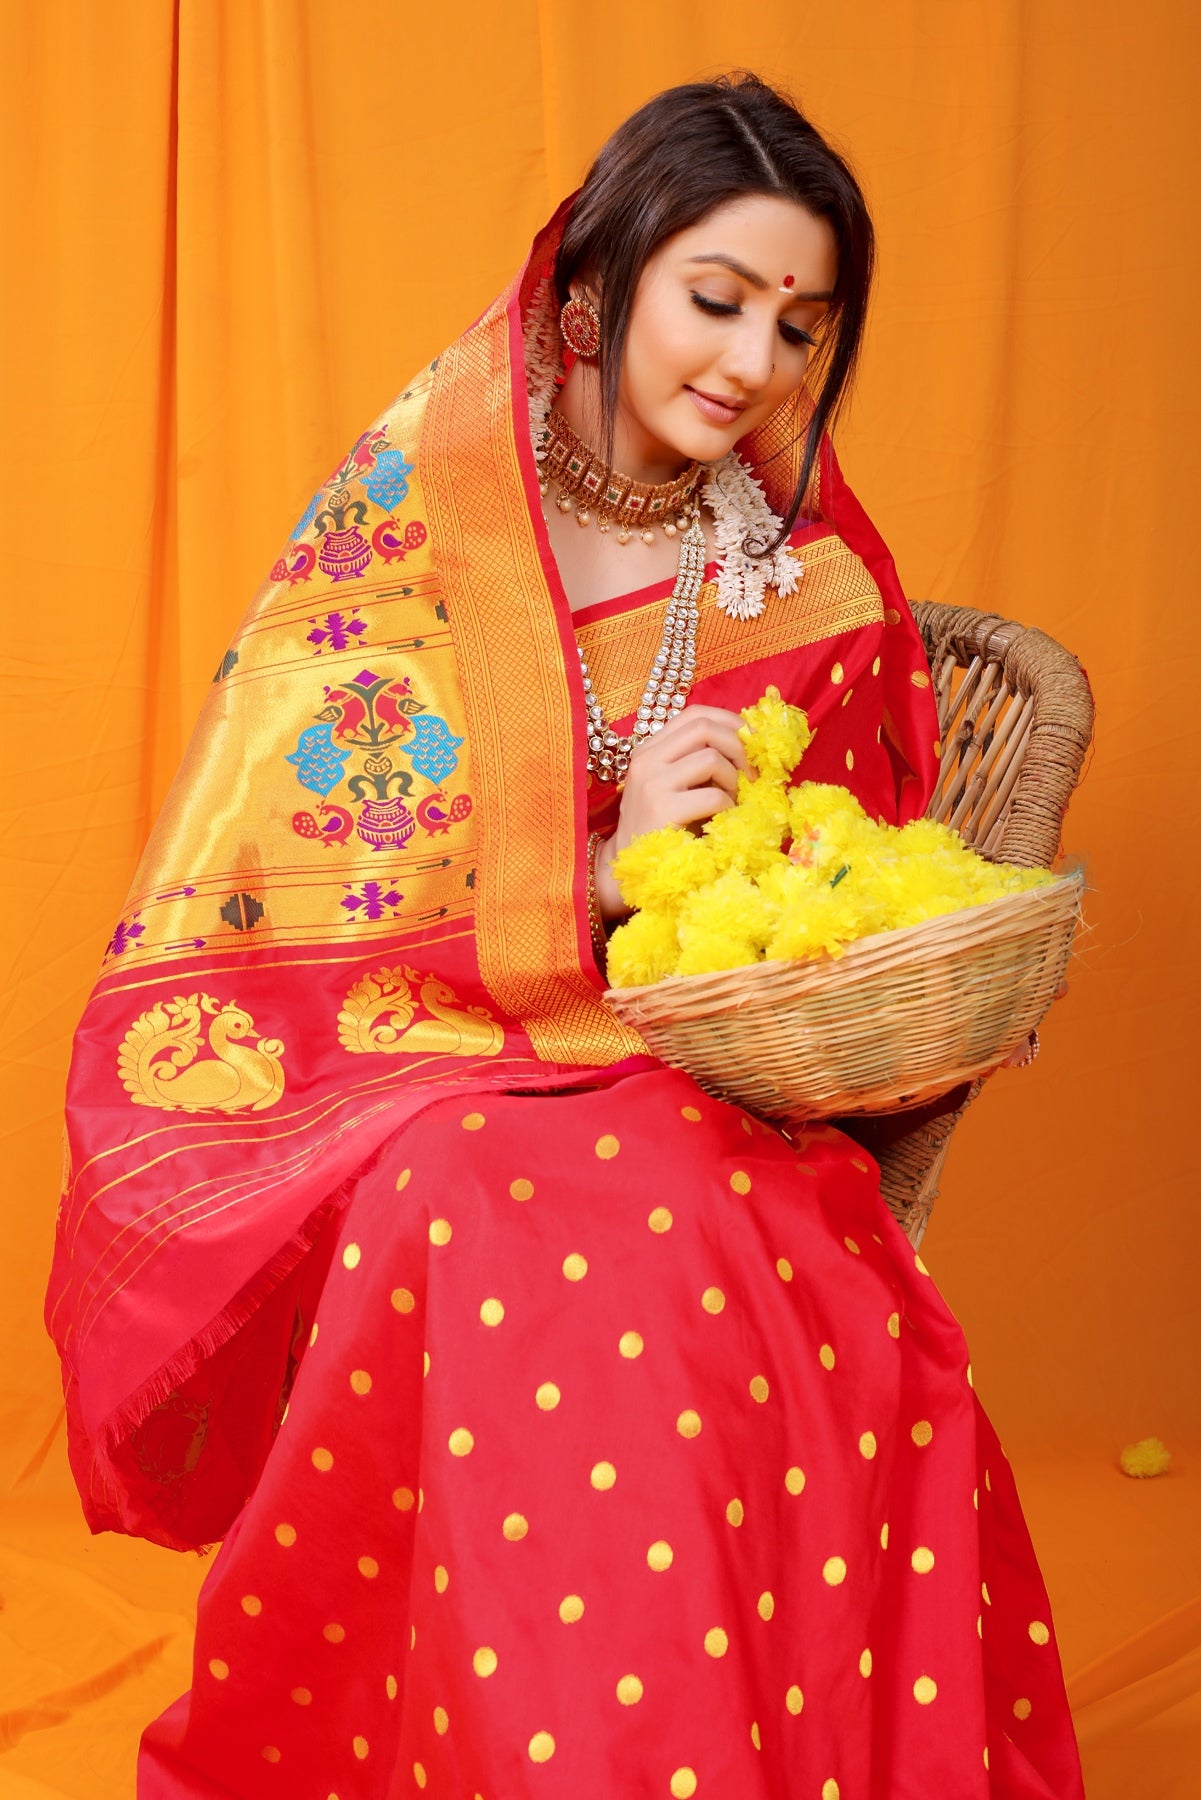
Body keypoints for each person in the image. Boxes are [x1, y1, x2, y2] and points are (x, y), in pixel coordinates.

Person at [47, 72, 1085, 1799]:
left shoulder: (798, 581)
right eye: (715, 299)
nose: (751, 362)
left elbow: (825, 895)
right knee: (456, 1189)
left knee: (618, 1220)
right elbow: (303, 851)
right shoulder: (415, 523)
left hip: (709, 1084)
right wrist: (589, 875)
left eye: (796, 323)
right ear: (596, 294)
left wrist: (813, 910)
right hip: (423, 1055)